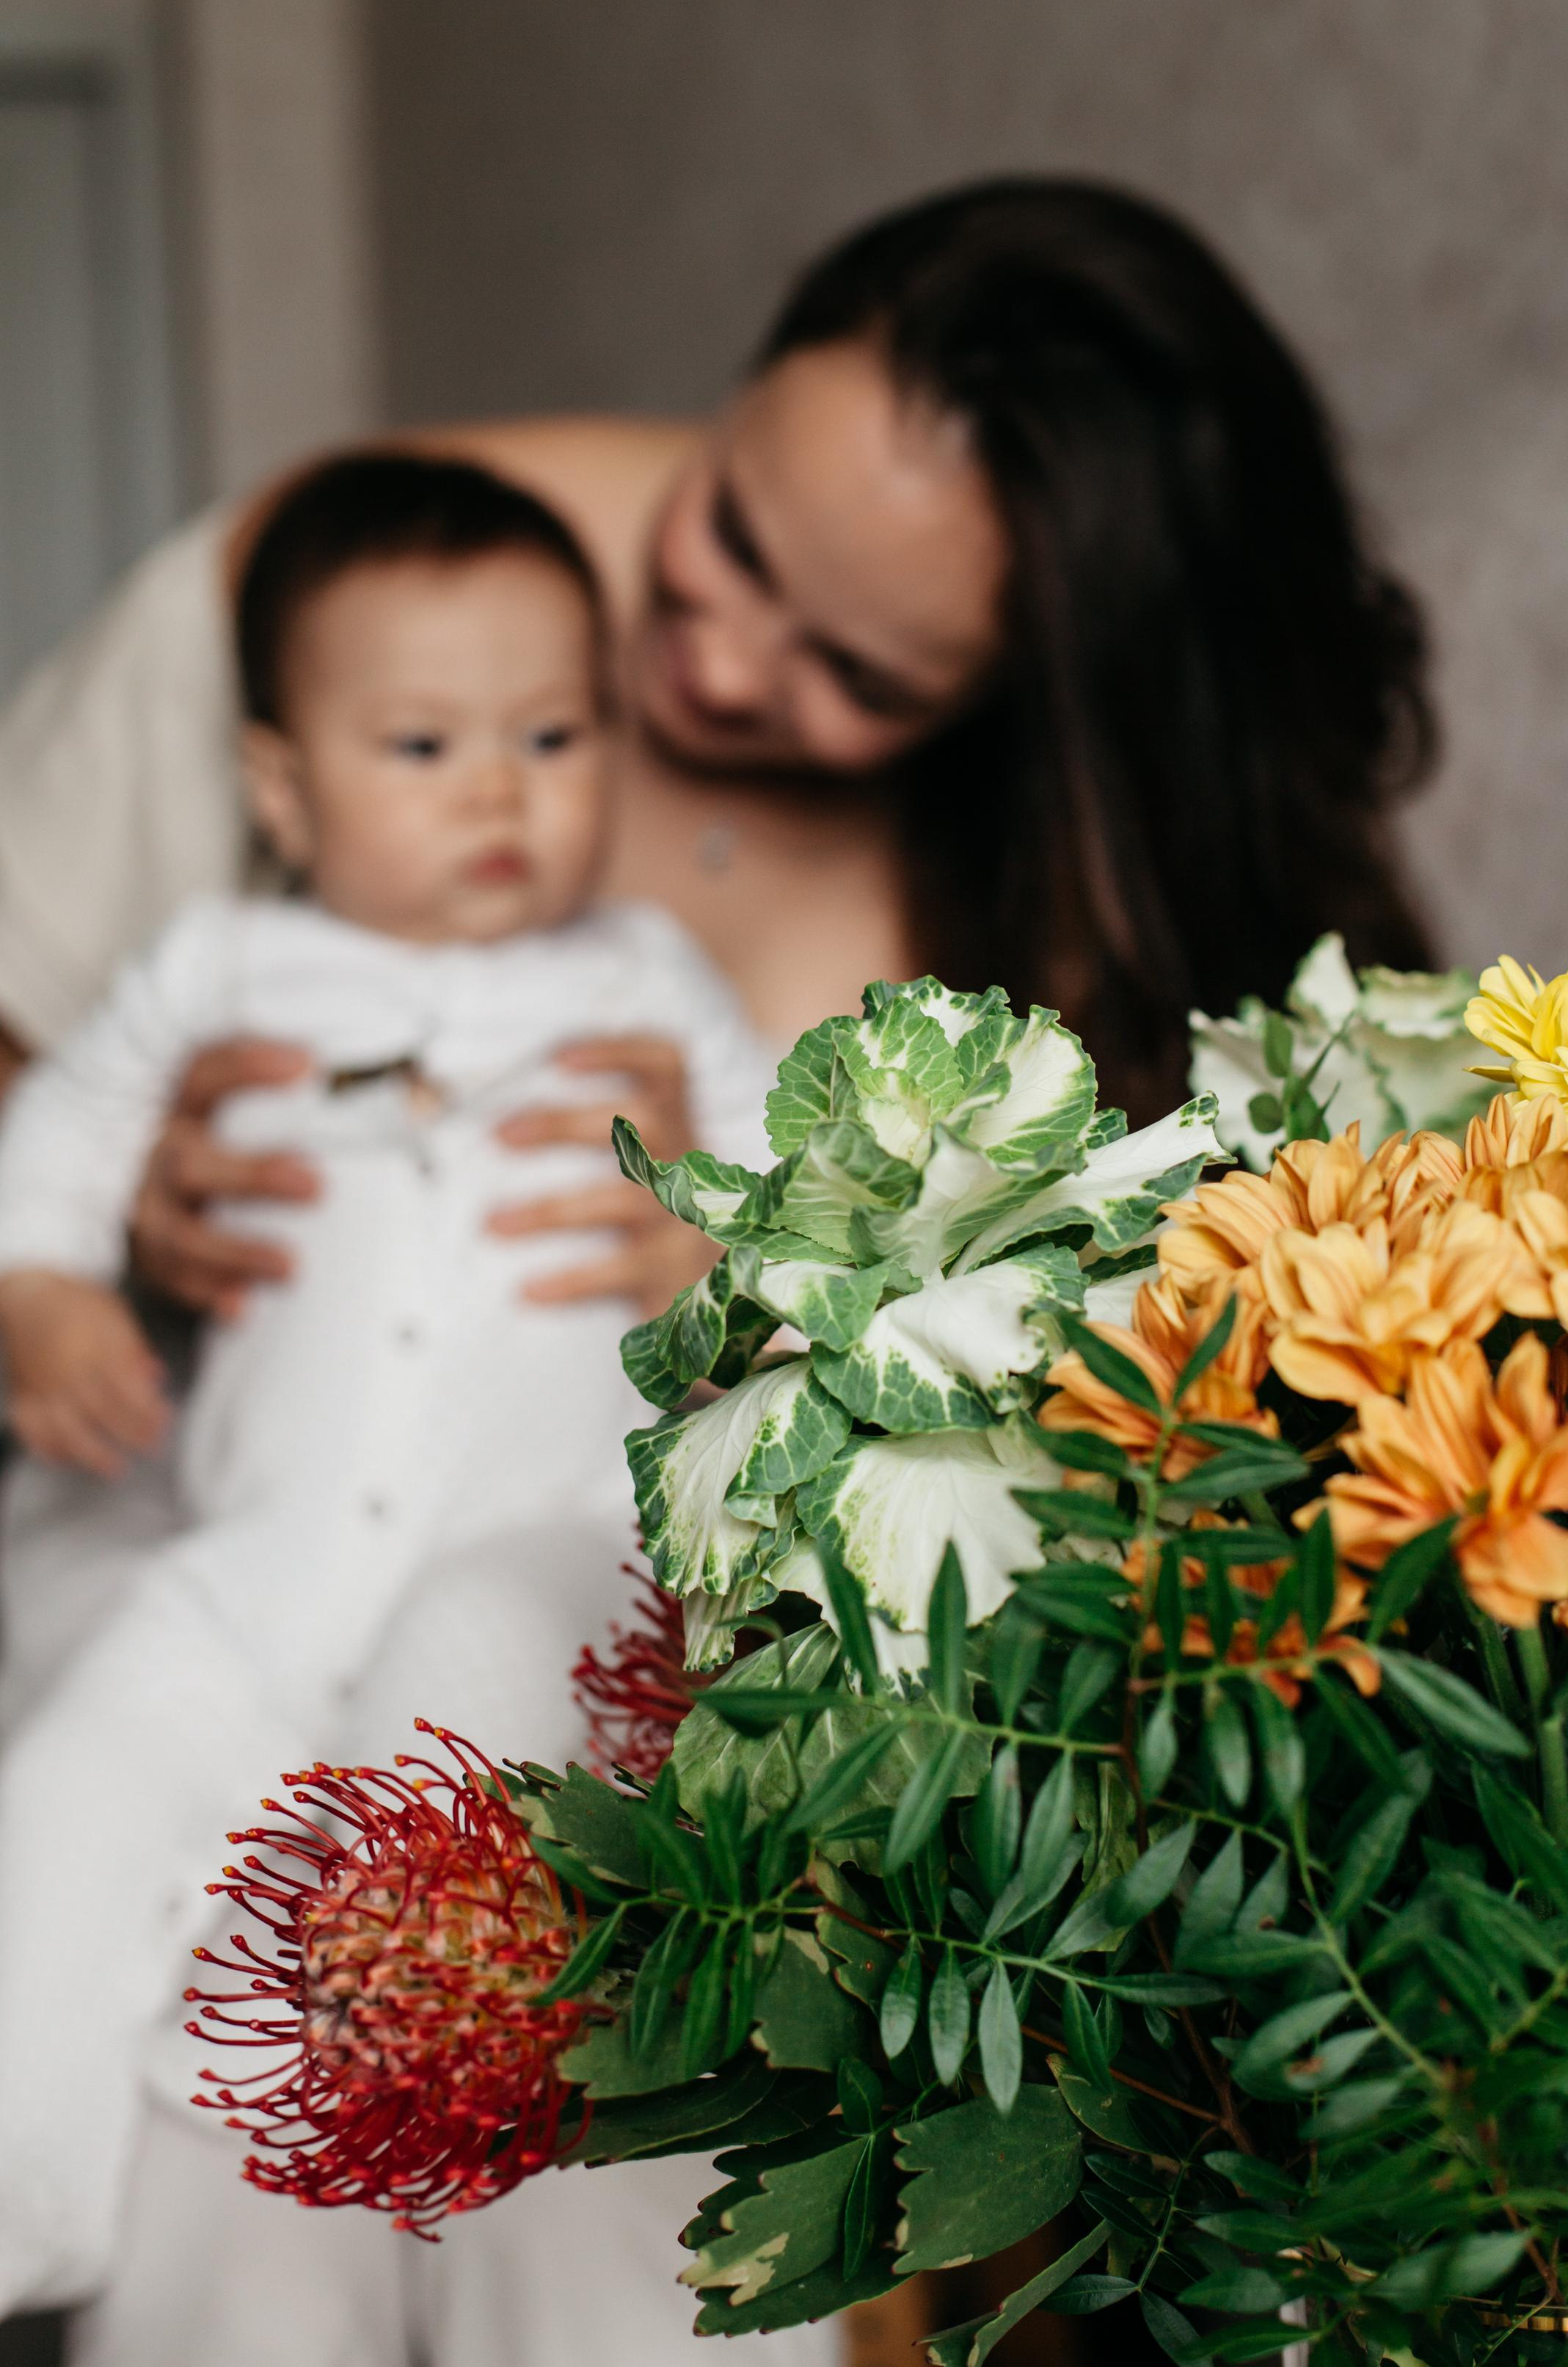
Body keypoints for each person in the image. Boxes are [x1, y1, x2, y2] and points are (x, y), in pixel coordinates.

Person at [0, 177, 1435, 1335]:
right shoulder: (355, 591)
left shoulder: (1077, 896)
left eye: (860, 675)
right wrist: (122, 1214)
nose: (725, 667)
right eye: (732, 531)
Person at [0, 451, 828, 2366]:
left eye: (552, 736)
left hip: (545, 1539)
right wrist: (42, 1292)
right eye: (425, 746)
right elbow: (62, 1140)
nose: (499, 794)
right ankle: (29, 2165)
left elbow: (799, 1211)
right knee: (74, 1786)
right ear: (285, 787)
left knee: (458, 1764)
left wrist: (716, 1233)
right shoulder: (222, 968)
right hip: (258, 1560)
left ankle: (417, 2059)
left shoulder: (643, 979)